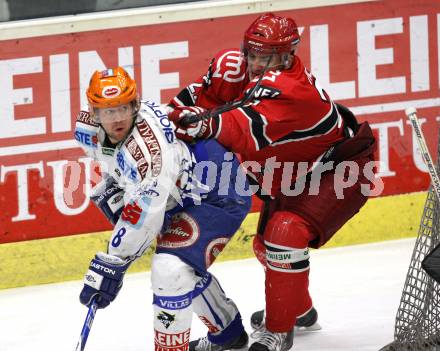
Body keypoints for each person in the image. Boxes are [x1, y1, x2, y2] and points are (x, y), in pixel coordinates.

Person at [168, 13, 377, 351]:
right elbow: (195, 102)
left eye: (263, 56)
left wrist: (197, 127)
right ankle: (299, 309)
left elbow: (235, 129)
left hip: (341, 170)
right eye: (251, 54)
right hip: (296, 169)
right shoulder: (237, 69)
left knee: (285, 233)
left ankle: (277, 330)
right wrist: (165, 122)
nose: (253, 63)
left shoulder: (292, 90)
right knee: (266, 246)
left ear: (286, 55)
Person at [74, 66, 252, 351]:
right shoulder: (87, 129)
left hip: (217, 190)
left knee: (170, 269)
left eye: (123, 108)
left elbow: (146, 213)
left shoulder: (151, 155)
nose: (118, 118)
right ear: (94, 113)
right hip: (180, 185)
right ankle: (228, 331)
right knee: (178, 263)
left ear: (135, 104)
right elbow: (117, 164)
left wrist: (113, 262)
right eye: (108, 111)